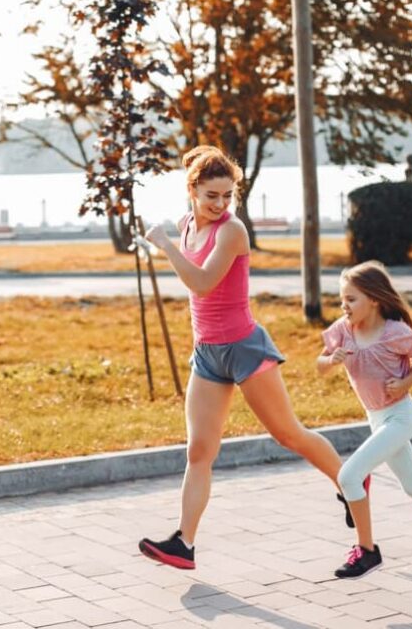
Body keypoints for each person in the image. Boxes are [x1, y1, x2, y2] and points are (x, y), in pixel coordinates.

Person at [137, 145, 355, 570]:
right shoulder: (186, 226)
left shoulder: (232, 231)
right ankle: (184, 542)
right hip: (208, 353)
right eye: (211, 196)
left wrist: (164, 246)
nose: (220, 204)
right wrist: (173, 241)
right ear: (192, 191)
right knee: (199, 450)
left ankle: (349, 481)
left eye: (227, 195)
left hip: (244, 348)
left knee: (289, 435)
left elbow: (201, 283)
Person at [318, 261, 412, 579]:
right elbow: (319, 365)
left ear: (373, 299)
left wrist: (405, 383)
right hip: (377, 419)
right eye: (342, 299)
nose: (344, 306)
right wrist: (330, 360)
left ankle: (367, 551)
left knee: (349, 476)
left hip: (400, 417)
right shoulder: (343, 331)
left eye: (351, 299)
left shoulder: (394, 332)